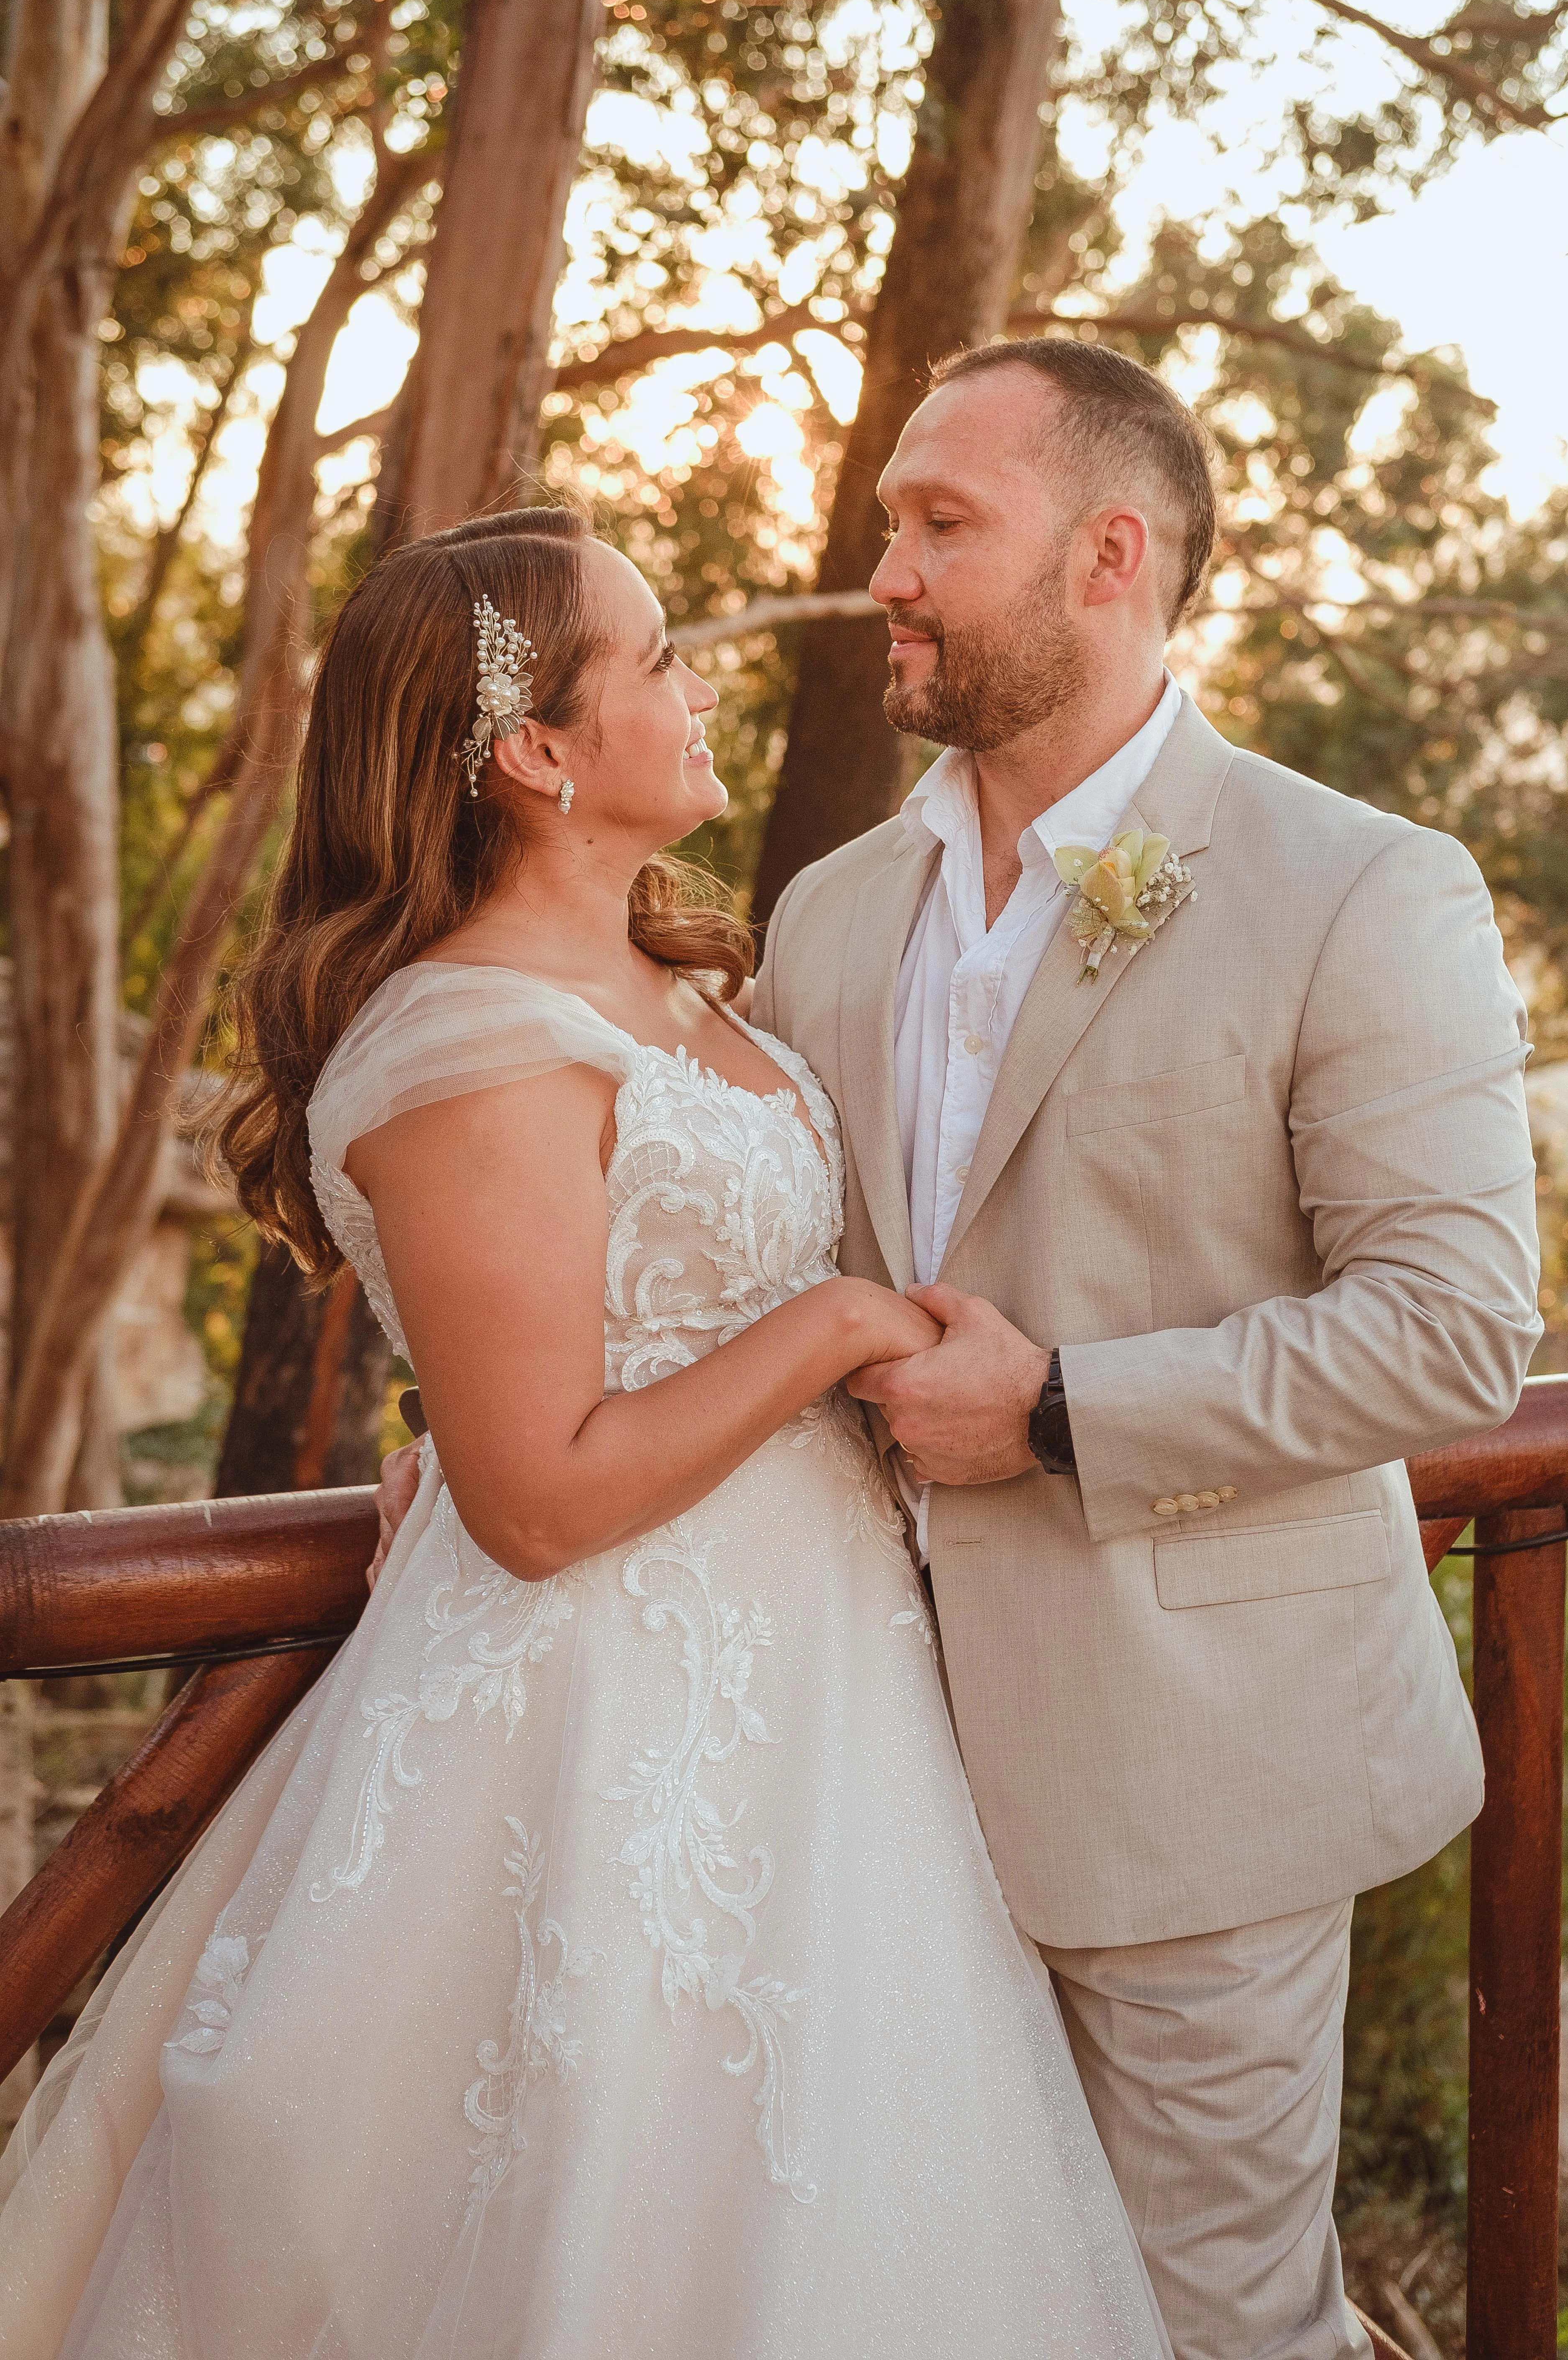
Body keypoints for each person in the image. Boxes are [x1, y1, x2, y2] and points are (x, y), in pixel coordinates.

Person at [384, 341, 1542, 2360]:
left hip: (1194, 1772)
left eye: (940, 525)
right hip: (845, 1782)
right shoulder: (824, 912)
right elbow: (707, 1254)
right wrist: (478, 1427)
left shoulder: (1355, 887)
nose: (883, 569)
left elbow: (1450, 1332)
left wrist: (1069, 1411)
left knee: (1213, 2327)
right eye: (889, 520)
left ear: (1107, 555)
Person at [0, 507, 1170, 2360]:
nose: (699, 685)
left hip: (817, 1702)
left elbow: (563, 1330)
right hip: (593, 1721)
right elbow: (538, 1500)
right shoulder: (454, 1043)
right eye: (655, 659)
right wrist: (839, 1326)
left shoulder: (681, 990)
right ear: (535, 750)